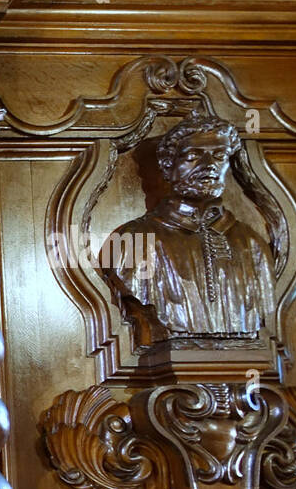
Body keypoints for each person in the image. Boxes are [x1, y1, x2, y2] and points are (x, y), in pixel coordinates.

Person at [99, 110, 276, 341]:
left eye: (219, 156)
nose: (209, 165)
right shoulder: (132, 241)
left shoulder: (252, 244)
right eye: (194, 155)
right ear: (168, 165)